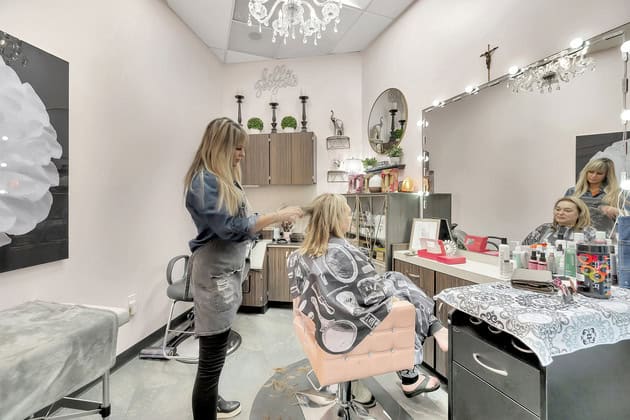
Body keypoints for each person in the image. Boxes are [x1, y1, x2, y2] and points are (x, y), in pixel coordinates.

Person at [184, 117, 303, 419]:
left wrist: (270, 219)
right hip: (215, 276)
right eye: (237, 148)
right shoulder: (204, 182)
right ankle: (208, 405)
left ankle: (214, 399)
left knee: (216, 354)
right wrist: (275, 216)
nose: (242, 154)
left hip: (225, 274)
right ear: (220, 147)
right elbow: (229, 228)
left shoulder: (223, 181)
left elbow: (240, 222)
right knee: (210, 362)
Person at [287, 193, 448, 398]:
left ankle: (421, 357)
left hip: (318, 326)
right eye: (348, 214)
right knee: (400, 286)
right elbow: (375, 295)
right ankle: (426, 347)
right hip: (352, 327)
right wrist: (395, 295)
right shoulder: (346, 252)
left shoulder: (297, 255)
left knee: (395, 282)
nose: (351, 219)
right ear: (337, 219)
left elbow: (299, 300)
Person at [565, 158, 623, 234]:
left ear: (606, 175)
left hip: (604, 235)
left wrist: (617, 211)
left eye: (599, 173)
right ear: (586, 172)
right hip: (575, 234)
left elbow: (626, 216)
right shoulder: (572, 192)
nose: (593, 176)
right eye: (591, 172)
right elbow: (563, 213)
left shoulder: (616, 193)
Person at [522, 197, 596, 245]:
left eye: (567, 210)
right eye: (557, 209)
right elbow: (524, 248)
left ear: (580, 213)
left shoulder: (589, 233)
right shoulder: (544, 228)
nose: (560, 213)